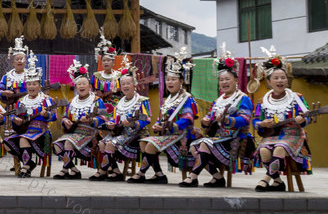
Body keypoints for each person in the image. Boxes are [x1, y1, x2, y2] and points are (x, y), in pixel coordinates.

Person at [183, 44, 253, 188]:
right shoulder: (218, 101)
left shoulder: (243, 98)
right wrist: (205, 121)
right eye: (221, 80)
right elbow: (210, 118)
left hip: (235, 139)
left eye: (227, 79)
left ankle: (193, 177)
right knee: (193, 147)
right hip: (218, 138)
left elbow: (245, 119)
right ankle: (217, 177)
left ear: (236, 80)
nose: (224, 82)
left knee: (205, 143)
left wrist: (228, 119)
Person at [252, 47, 313, 192]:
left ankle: (265, 179)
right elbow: (255, 121)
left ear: (287, 80)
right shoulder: (263, 101)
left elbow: (308, 117)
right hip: (272, 135)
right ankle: (278, 182)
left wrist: (302, 120)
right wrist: (262, 123)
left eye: (283, 77)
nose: (280, 81)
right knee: (264, 151)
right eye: (276, 78)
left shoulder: (296, 98)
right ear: (269, 81)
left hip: (293, 135)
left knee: (280, 148)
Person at [132, 49, 197, 184]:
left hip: (181, 135)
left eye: (173, 79)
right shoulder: (169, 99)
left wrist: (171, 126)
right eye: (168, 79)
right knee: (143, 142)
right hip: (167, 134)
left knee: (151, 145)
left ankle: (145, 173)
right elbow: (162, 118)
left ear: (181, 81)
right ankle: (158, 174)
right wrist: (158, 124)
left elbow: (188, 118)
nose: (170, 82)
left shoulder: (187, 98)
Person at [3, 55, 58, 178]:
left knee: (23, 139)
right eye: (29, 84)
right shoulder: (21, 101)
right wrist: (15, 120)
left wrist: (47, 115)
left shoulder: (46, 99)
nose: (31, 87)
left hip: (41, 132)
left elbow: (54, 116)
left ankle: (27, 166)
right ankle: (29, 162)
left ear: (39, 86)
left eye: (34, 84)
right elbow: (15, 116)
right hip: (24, 131)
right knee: (6, 142)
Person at [96, 57, 150, 182]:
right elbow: (115, 119)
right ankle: (116, 171)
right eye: (123, 84)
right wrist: (111, 123)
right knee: (102, 143)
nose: (125, 86)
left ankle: (102, 171)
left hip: (136, 133)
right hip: (121, 132)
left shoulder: (142, 101)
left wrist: (133, 124)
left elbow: (146, 119)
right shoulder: (120, 102)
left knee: (110, 144)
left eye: (128, 83)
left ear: (134, 85)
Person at [53, 60, 105, 180]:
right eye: (79, 84)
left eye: (84, 83)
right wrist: (65, 121)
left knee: (68, 142)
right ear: (76, 87)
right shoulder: (72, 102)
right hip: (75, 132)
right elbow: (65, 116)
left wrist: (91, 120)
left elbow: (103, 118)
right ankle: (74, 170)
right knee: (56, 145)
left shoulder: (97, 100)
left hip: (90, 134)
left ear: (89, 86)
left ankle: (64, 170)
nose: (81, 86)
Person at [0, 36, 29, 107]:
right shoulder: (7, 76)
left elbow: (38, 91)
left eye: (22, 59)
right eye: (17, 59)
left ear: (25, 62)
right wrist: (4, 93)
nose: (19, 61)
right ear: (13, 62)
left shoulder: (31, 75)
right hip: (11, 107)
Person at [92, 31, 122, 107]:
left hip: (117, 104)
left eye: (108, 60)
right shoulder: (96, 76)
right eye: (104, 60)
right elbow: (91, 90)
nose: (106, 62)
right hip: (100, 104)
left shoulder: (119, 75)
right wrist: (96, 93)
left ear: (113, 62)